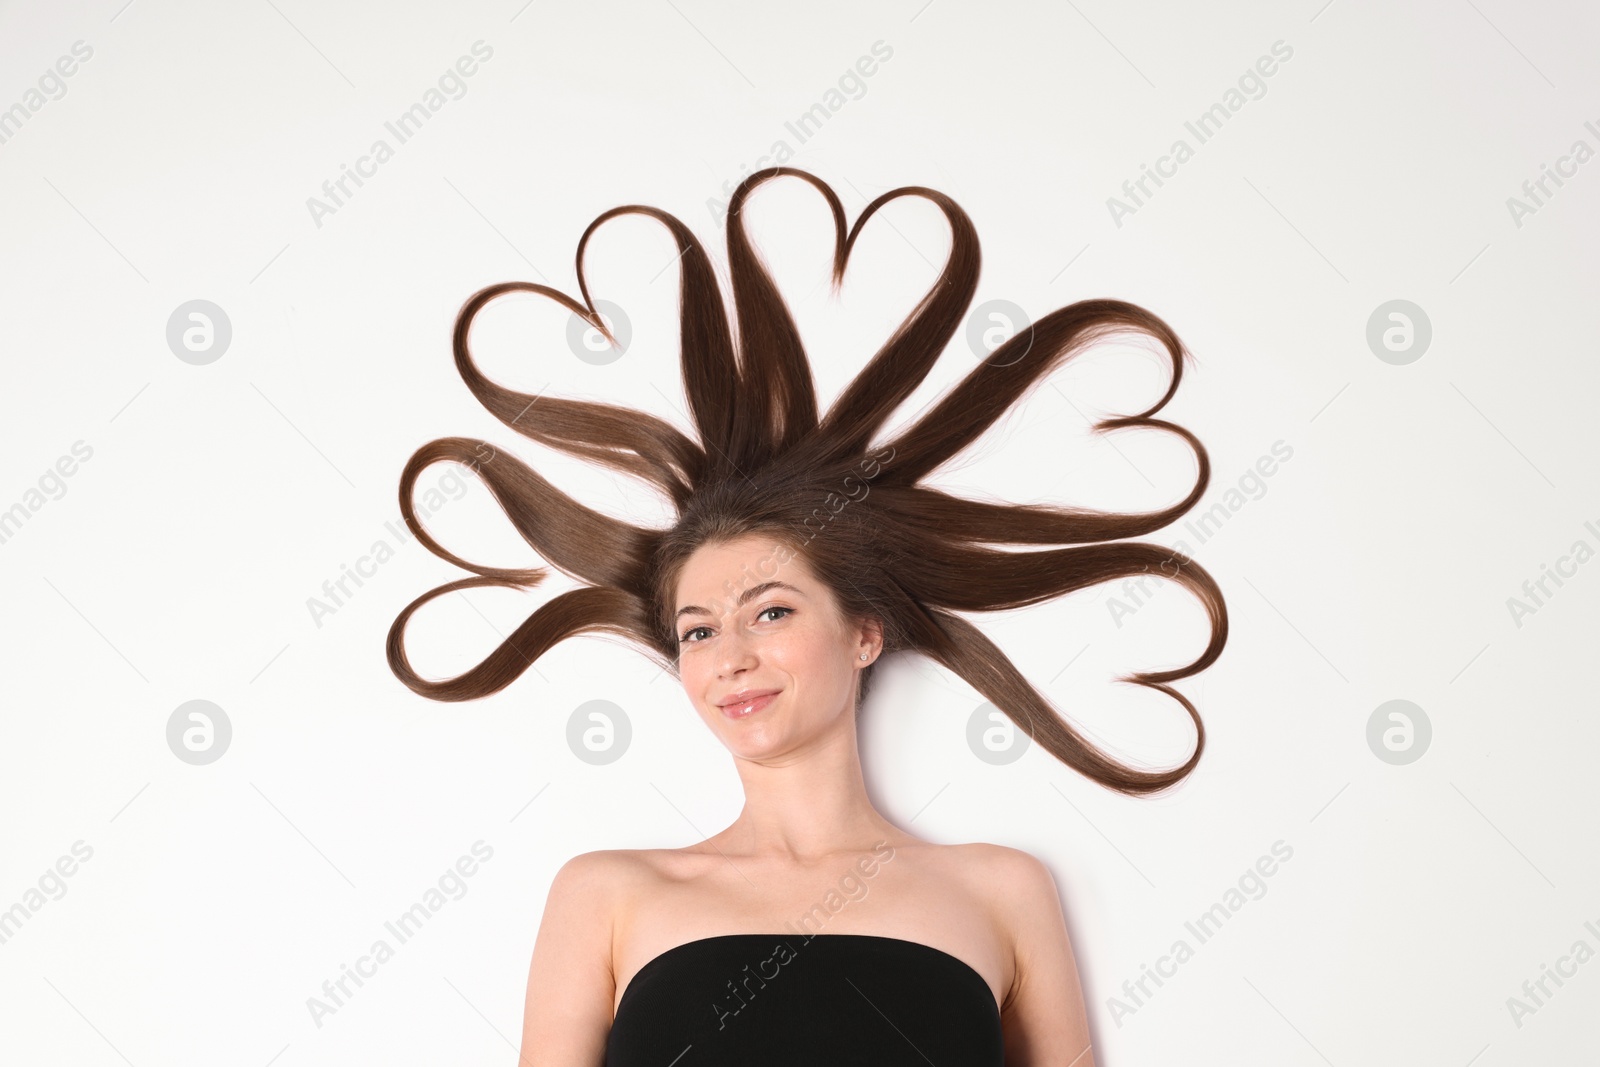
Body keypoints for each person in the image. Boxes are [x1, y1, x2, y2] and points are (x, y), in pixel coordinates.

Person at [386, 167, 1228, 1065]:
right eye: (699, 630)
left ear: (865, 633)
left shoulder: (1000, 890)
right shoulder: (607, 893)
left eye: (771, 610)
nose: (731, 657)